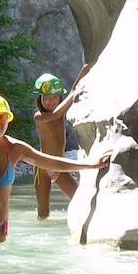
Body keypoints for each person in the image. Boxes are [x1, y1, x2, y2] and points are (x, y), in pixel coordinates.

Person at [0, 93, 108, 245]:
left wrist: (91, 164)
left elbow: (51, 162)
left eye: (1, 117)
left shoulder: (16, 149)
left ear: (8, 119)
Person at [32, 63, 93, 219]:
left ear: (60, 97)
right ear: (40, 98)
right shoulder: (39, 116)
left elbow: (73, 90)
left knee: (81, 200)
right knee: (43, 213)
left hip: (59, 165)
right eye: (47, 98)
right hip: (43, 167)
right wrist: (74, 93)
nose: (51, 101)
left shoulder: (59, 109)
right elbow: (57, 115)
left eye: (55, 97)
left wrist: (85, 69)